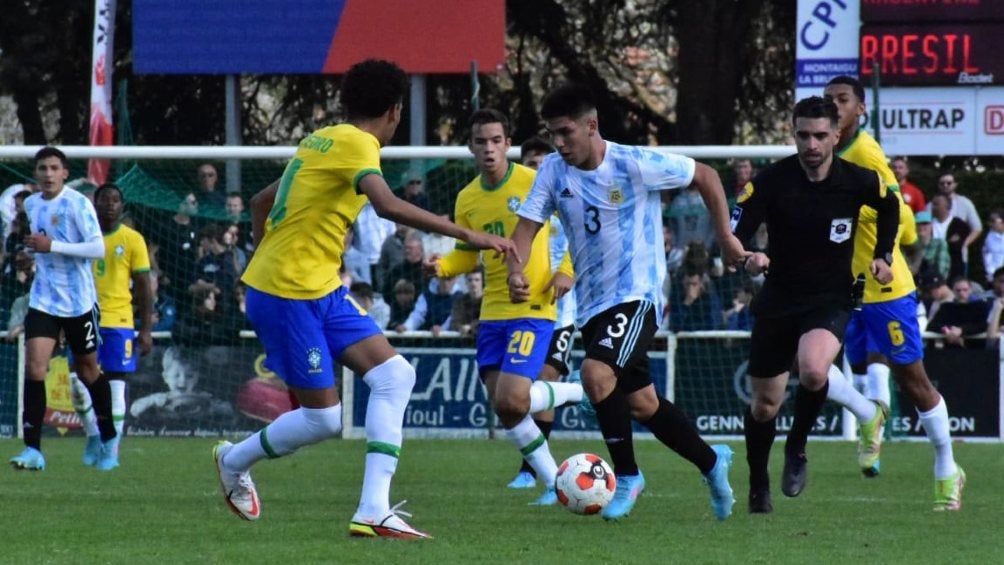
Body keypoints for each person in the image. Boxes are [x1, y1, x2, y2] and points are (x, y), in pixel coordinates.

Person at [210, 59, 516, 539]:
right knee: (323, 418)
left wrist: (271, 252)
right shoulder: (357, 145)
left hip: (317, 289)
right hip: (288, 294)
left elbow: (259, 203)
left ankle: (374, 509)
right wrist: (465, 235)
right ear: (395, 111)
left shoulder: (323, 138)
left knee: (395, 374)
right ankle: (232, 460)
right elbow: (387, 205)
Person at [507, 83, 746, 521]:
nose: (558, 143)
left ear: (591, 125)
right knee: (642, 404)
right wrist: (515, 270)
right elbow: (526, 228)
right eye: (552, 134)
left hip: (639, 294)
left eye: (565, 133)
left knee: (596, 374)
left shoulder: (633, 163)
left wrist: (726, 240)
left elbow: (707, 176)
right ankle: (713, 463)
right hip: (593, 304)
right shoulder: (554, 172)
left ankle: (629, 475)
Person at [731, 96, 900, 514]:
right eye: (803, 135)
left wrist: (883, 255)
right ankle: (758, 482)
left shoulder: (858, 179)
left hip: (831, 296)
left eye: (820, 135)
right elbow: (736, 234)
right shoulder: (772, 181)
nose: (811, 144)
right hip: (779, 298)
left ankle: (798, 446)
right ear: (794, 134)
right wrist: (749, 255)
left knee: (812, 370)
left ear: (836, 136)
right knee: (764, 404)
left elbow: (889, 204)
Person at [820, 76, 964, 510]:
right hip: (839, 285)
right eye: (829, 101)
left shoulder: (864, 152)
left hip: (884, 287)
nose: (835, 107)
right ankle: (868, 413)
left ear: (860, 110)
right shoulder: (818, 152)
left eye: (843, 100)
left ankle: (947, 466)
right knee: (808, 360)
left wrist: (880, 246)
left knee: (912, 381)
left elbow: (899, 216)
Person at [430, 109, 584, 503]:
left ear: (507, 144)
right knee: (508, 410)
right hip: (492, 312)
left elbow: (572, 227)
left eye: (496, 141)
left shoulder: (533, 182)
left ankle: (573, 391)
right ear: (470, 146)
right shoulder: (467, 198)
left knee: (514, 398)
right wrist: (444, 266)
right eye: (481, 141)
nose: (489, 149)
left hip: (533, 307)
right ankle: (554, 482)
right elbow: (468, 253)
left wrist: (566, 270)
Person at [9, 146, 117, 471]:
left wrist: (51, 246)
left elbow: (98, 248)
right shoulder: (31, 203)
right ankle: (33, 450)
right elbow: (40, 244)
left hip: (79, 302)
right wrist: (31, 255)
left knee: (87, 371)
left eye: (54, 168)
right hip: (43, 299)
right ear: (36, 173)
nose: (48, 174)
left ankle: (106, 434)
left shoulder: (78, 203)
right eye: (42, 168)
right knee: (35, 368)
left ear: (65, 172)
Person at [68, 183, 154, 470]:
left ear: (122, 206)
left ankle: (111, 449)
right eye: (105, 199)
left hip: (119, 322)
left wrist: (145, 330)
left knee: (116, 388)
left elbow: (144, 287)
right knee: (77, 386)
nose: (110, 205)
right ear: (95, 202)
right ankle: (94, 435)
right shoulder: (81, 236)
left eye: (116, 200)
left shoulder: (132, 240)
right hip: (81, 317)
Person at [930, 173, 982, 273]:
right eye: (942, 183)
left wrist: (963, 243)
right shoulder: (931, 205)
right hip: (933, 257)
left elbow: (977, 228)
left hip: (957, 255)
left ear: (955, 184)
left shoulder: (965, 203)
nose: (945, 185)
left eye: (949, 183)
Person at [930, 193, 972, 280]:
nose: (933, 207)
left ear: (947, 206)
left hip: (954, 267)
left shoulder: (959, 225)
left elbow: (956, 245)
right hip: (931, 267)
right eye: (933, 204)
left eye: (936, 204)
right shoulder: (928, 224)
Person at [982, 210, 1004, 285]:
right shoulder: (989, 238)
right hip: (996, 276)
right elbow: (987, 258)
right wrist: (991, 274)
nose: (990, 224)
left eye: (993, 221)